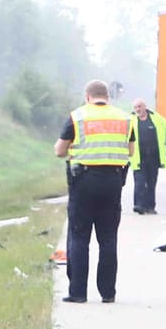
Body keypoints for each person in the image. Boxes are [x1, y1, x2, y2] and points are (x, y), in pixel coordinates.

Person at [54, 80, 134, 303]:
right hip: (113, 182)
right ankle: (108, 293)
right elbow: (130, 150)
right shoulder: (125, 118)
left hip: (84, 182)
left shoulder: (77, 116)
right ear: (106, 96)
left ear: (87, 97)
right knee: (108, 238)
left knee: (79, 237)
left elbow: (60, 151)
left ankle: (78, 293)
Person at [129, 99, 166, 215]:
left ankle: (150, 206)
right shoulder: (130, 120)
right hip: (138, 157)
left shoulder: (157, 119)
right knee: (139, 182)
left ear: (145, 107)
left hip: (154, 157)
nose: (137, 109)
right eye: (135, 107)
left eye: (139, 106)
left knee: (151, 183)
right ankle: (139, 205)